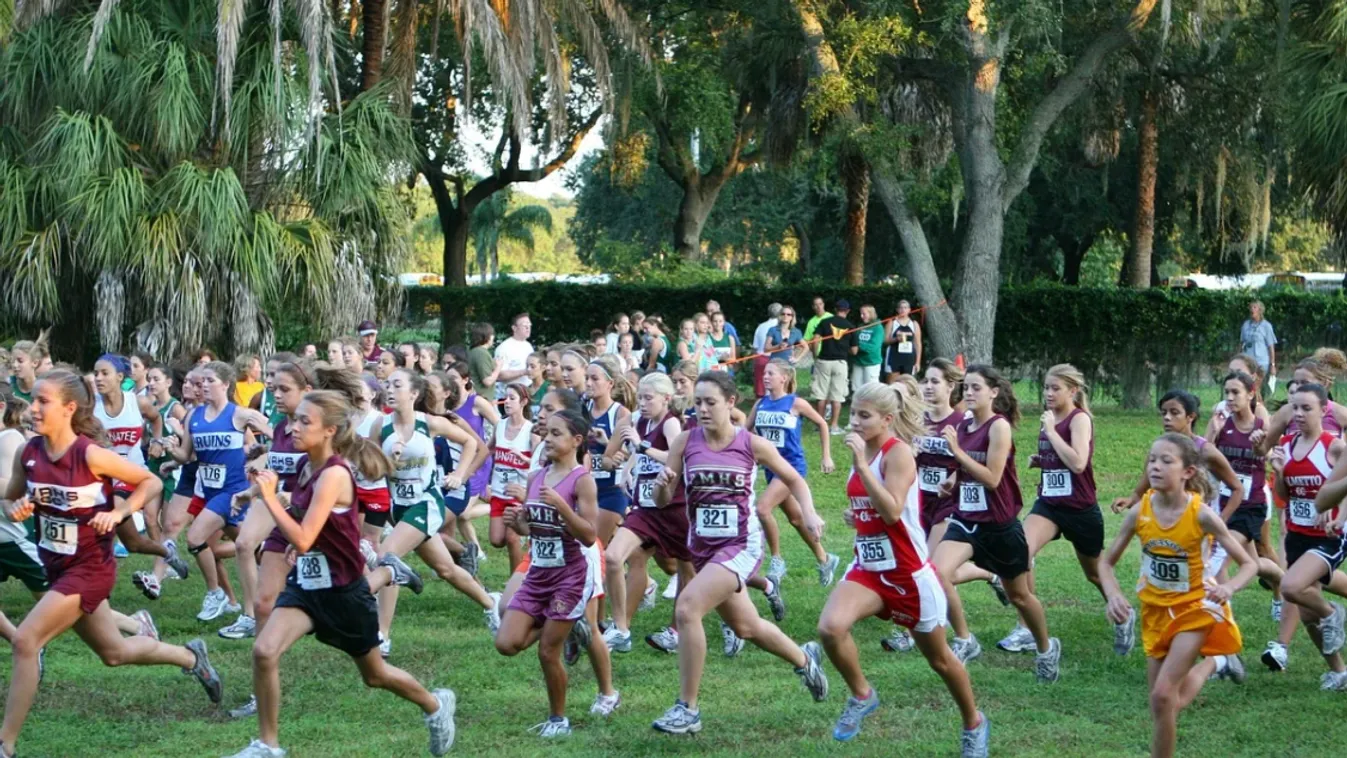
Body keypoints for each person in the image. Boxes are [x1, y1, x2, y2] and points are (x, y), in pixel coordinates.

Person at [0, 370, 221, 758]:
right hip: (57, 567)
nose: (32, 408)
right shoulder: (29, 453)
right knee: (114, 653)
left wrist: (120, 513)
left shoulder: (89, 454)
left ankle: (5, 744)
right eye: (33, 400)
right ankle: (190, 657)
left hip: (89, 570)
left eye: (42, 401)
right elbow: (12, 495)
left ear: (69, 408)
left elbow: (150, 483)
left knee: (24, 641)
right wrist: (17, 507)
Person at [226, 390, 457, 758]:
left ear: (329, 430)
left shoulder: (334, 473)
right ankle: (268, 746)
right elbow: (308, 527)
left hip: (343, 592)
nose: (295, 427)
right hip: (307, 585)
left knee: (375, 675)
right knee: (264, 651)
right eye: (296, 419)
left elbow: (303, 537)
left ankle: (435, 705)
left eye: (305, 421)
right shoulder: (307, 467)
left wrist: (269, 498)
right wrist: (297, 531)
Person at [650, 372, 829, 735]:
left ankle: (688, 708)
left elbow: (794, 478)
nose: (702, 409)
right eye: (697, 402)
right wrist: (662, 487)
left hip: (740, 545)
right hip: (703, 547)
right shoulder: (684, 442)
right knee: (746, 627)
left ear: (731, 403)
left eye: (710, 402)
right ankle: (804, 659)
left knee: (687, 608)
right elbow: (663, 500)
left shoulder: (751, 444)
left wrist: (809, 512)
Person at [816, 383, 989, 754]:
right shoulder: (865, 449)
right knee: (830, 628)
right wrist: (857, 516)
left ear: (887, 419)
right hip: (869, 568)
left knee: (940, 660)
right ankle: (862, 695)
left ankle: (973, 722)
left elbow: (893, 511)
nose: (855, 422)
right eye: (853, 413)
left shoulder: (898, 454)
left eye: (864, 415)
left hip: (907, 572)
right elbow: (873, 507)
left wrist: (861, 467)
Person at [1098, 433, 1257, 758]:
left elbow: (1249, 564)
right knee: (1164, 704)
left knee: (1162, 696)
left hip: (1195, 609)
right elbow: (1105, 562)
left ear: (1188, 471)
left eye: (1166, 461)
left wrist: (1228, 587)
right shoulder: (1140, 512)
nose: (1155, 467)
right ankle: (1216, 663)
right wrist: (1113, 594)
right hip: (1154, 612)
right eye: (1152, 460)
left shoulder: (1201, 515)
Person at [934, 365, 1062, 682]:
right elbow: (966, 466)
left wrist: (956, 453)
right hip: (966, 520)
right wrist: (952, 479)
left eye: (976, 387)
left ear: (993, 392)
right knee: (936, 573)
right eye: (966, 387)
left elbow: (992, 478)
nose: (969, 392)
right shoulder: (963, 426)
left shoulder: (998, 427)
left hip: (999, 525)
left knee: (1019, 596)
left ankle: (1046, 648)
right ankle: (965, 639)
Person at [495, 408, 616, 738]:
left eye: (555, 433)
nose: (547, 439)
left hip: (570, 576)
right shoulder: (536, 477)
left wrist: (562, 507)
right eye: (546, 432)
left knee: (548, 651)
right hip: (539, 573)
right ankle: (566, 622)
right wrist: (518, 523)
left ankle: (558, 720)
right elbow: (532, 530)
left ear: (576, 440)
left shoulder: (582, 480)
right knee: (506, 643)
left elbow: (589, 535)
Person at [363, 370, 500, 639]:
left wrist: (460, 475)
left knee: (388, 557)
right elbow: (371, 469)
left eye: (397, 385)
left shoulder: (429, 423)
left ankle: (382, 635)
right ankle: (492, 603)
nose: (390, 389)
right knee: (446, 569)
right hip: (399, 506)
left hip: (427, 503)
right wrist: (390, 461)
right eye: (388, 385)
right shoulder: (380, 426)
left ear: (414, 393)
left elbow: (470, 442)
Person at [999, 365, 1119, 654]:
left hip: (1079, 508)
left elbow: (1078, 463)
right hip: (1049, 505)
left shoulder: (1079, 419)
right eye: (1046, 388)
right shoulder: (1050, 418)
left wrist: (1051, 432)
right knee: (1021, 551)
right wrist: (1043, 460)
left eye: (1055, 388)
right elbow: (1062, 459)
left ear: (1072, 391)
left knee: (1094, 573)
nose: (1048, 393)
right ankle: (1026, 628)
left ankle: (1121, 612)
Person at [171, 361, 273, 623]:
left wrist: (261, 458)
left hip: (233, 491)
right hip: (209, 491)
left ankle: (216, 593)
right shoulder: (194, 416)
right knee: (250, 548)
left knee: (194, 538)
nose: (203, 386)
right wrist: (171, 451)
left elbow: (275, 436)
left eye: (210, 381)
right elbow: (186, 455)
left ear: (226, 384)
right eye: (201, 382)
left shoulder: (238, 414)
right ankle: (272, 587)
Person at [601, 373, 689, 653]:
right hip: (645, 509)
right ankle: (620, 628)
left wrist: (642, 447)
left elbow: (676, 457)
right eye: (640, 397)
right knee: (613, 557)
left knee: (687, 570)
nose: (642, 403)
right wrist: (624, 467)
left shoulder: (670, 423)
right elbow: (618, 456)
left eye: (649, 398)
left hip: (674, 508)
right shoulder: (638, 421)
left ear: (666, 398)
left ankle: (678, 631)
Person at [1274, 383, 1347, 690]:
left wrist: (1339, 517)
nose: (1299, 414)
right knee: (1306, 614)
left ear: (1324, 410)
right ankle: (1340, 672)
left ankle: (1332, 613)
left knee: (1291, 587)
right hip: (1298, 534)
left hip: (1328, 535)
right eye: (1295, 408)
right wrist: (1279, 472)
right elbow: (1284, 495)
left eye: (1307, 408)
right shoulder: (1286, 444)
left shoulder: (1334, 447)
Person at [750, 360, 838, 586]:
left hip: (791, 468)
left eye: (771, 373)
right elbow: (744, 432)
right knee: (797, 519)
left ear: (784, 378)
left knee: (762, 509)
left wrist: (826, 456)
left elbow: (822, 424)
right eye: (765, 373)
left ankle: (777, 560)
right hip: (771, 469)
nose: (765, 376)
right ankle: (825, 559)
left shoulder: (795, 403)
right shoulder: (760, 404)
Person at [488, 384, 534, 570]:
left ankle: (517, 581)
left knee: (511, 538)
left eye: (512, 398)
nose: (506, 401)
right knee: (496, 540)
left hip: (519, 493)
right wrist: (472, 469)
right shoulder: (499, 425)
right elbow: (488, 449)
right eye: (505, 397)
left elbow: (540, 464)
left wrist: (523, 458)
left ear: (523, 402)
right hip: (499, 491)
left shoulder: (531, 430)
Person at [811, 300, 856, 435]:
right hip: (840, 363)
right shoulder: (850, 326)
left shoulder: (825, 322)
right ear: (848, 311)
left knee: (821, 395)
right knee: (837, 396)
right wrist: (845, 348)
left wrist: (815, 355)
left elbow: (815, 339)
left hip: (824, 361)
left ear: (835, 309)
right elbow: (854, 351)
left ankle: (820, 425)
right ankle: (834, 426)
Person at [495, 312, 535, 401]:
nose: (528, 327)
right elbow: (500, 375)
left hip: (527, 394)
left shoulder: (528, 346)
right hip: (508, 398)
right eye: (524, 325)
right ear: (514, 328)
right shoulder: (504, 348)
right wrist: (524, 372)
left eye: (529, 325)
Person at [1238, 300, 1277, 389]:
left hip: (1261, 362)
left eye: (1254, 307)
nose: (1252, 309)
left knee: (1256, 387)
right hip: (1248, 360)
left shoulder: (1266, 326)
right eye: (1250, 307)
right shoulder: (1246, 325)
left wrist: (1272, 365)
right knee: (1247, 385)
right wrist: (1238, 358)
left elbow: (1271, 347)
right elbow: (1241, 343)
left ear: (1260, 310)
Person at [885, 300, 923, 381]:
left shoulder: (914, 324)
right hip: (893, 357)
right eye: (901, 308)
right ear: (897, 310)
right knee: (892, 385)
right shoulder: (892, 322)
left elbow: (918, 344)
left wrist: (918, 362)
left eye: (905, 308)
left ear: (909, 310)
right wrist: (896, 339)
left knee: (908, 384)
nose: (903, 310)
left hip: (909, 359)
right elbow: (885, 341)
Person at [851, 304, 885, 392]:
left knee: (871, 390)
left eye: (864, 314)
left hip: (871, 363)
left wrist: (858, 347)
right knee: (856, 389)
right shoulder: (860, 326)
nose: (861, 316)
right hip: (858, 362)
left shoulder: (878, 327)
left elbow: (873, 347)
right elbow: (854, 341)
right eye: (860, 314)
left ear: (871, 313)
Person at [752, 303, 783, 397]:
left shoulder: (761, 326)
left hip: (760, 358)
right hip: (776, 359)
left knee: (760, 389)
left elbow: (755, 347)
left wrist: (754, 363)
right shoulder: (781, 327)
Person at [467, 323, 499, 400]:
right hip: (481, 399)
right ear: (487, 336)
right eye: (491, 334)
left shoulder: (473, 351)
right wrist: (498, 367)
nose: (493, 337)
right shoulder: (481, 353)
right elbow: (487, 381)